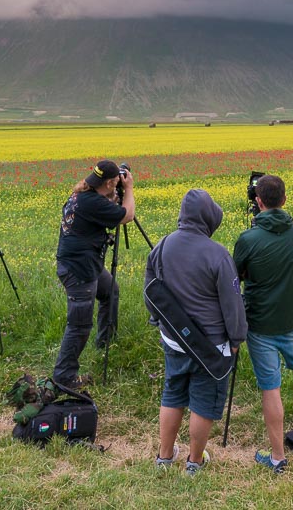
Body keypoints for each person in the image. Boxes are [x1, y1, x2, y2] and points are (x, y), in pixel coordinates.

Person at [145, 189, 247, 476]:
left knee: (173, 393)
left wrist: (159, 322)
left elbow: (150, 293)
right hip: (210, 348)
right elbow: (232, 304)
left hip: (173, 339)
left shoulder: (162, 246)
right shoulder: (218, 254)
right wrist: (237, 339)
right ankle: (194, 462)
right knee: (203, 401)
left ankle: (164, 458)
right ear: (207, 217)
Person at [233, 174, 293, 475]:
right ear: (284, 199)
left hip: (260, 323)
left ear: (257, 202)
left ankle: (277, 457)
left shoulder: (248, 239)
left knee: (270, 386)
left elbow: (239, 274)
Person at [52, 159, 135, 388]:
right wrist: (128, 189)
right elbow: (126, 216)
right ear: (110, 183)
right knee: (79, 324)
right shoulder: (91, 202)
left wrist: (113, 198)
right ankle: (64, 377)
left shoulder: (82, 195)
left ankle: (105, 342)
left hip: (86, 264)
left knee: (110, 291)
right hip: (79, 269)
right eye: (116, 182)